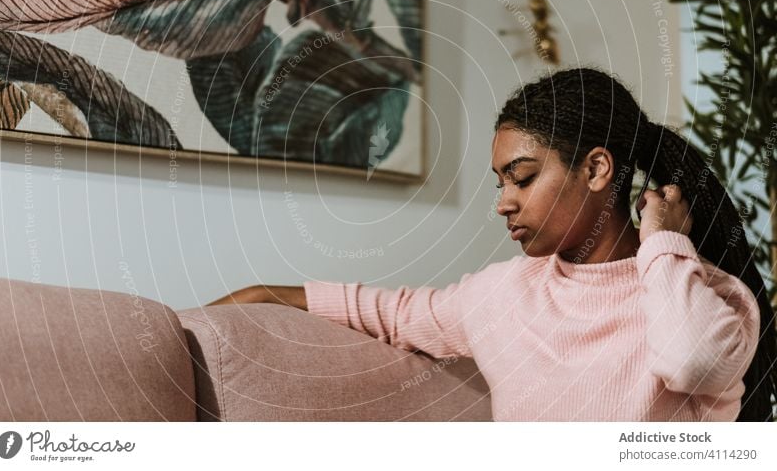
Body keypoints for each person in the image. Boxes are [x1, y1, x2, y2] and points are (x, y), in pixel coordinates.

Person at [209, 67, 776, 422]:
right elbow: (393, 313)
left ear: (597, 168)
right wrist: (263, 293)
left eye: (523, 177)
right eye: (501, 182)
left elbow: (694, 361)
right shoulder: (503, 294)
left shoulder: (709, 296)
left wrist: (663, 242)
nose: (504, 202)